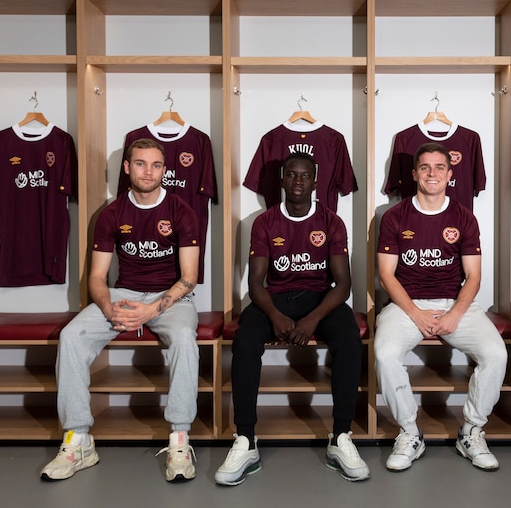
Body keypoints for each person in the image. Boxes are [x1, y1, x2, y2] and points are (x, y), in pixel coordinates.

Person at [41, 138, 201, 483]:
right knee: (71, 336)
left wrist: (151, 311)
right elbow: (97, 277)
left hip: (170, 297)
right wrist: (109, 307)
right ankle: (78, 440)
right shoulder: (112, 214)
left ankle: (180, 438)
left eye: (156, 165)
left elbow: (190, 278)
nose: (148, 171)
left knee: (186, 337)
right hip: (123, 293)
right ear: (127, 168)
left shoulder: (181, 211)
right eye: (140, 164)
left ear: (165, 170)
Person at [215, 152, 368, 485]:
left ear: (315, 182)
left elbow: (343, 284)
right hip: (275, 298)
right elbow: (256, 283)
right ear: (282, 179)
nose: (298, 182)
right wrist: (275, 316)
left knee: (348, 338)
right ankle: (245, 439)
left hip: (320, 300)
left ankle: (341, 437)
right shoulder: (265, 222)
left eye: (305, 177)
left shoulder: (331, 222)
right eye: (292, 176)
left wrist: (312, 320)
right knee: (245, 339)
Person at [374, 141, 507, 472]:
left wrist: (455, 314)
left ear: (450, 174)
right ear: (415, 173)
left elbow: (473, 277)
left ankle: (471, 431)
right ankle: (410, 432)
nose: (432, 174)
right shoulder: (394, 216)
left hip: (454, 302)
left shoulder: (464, 217)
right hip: (406, 305)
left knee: (497, 354)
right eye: (425, 168)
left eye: (439, 168)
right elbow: (386, 276)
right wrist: (416, 313)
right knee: (385, 354)